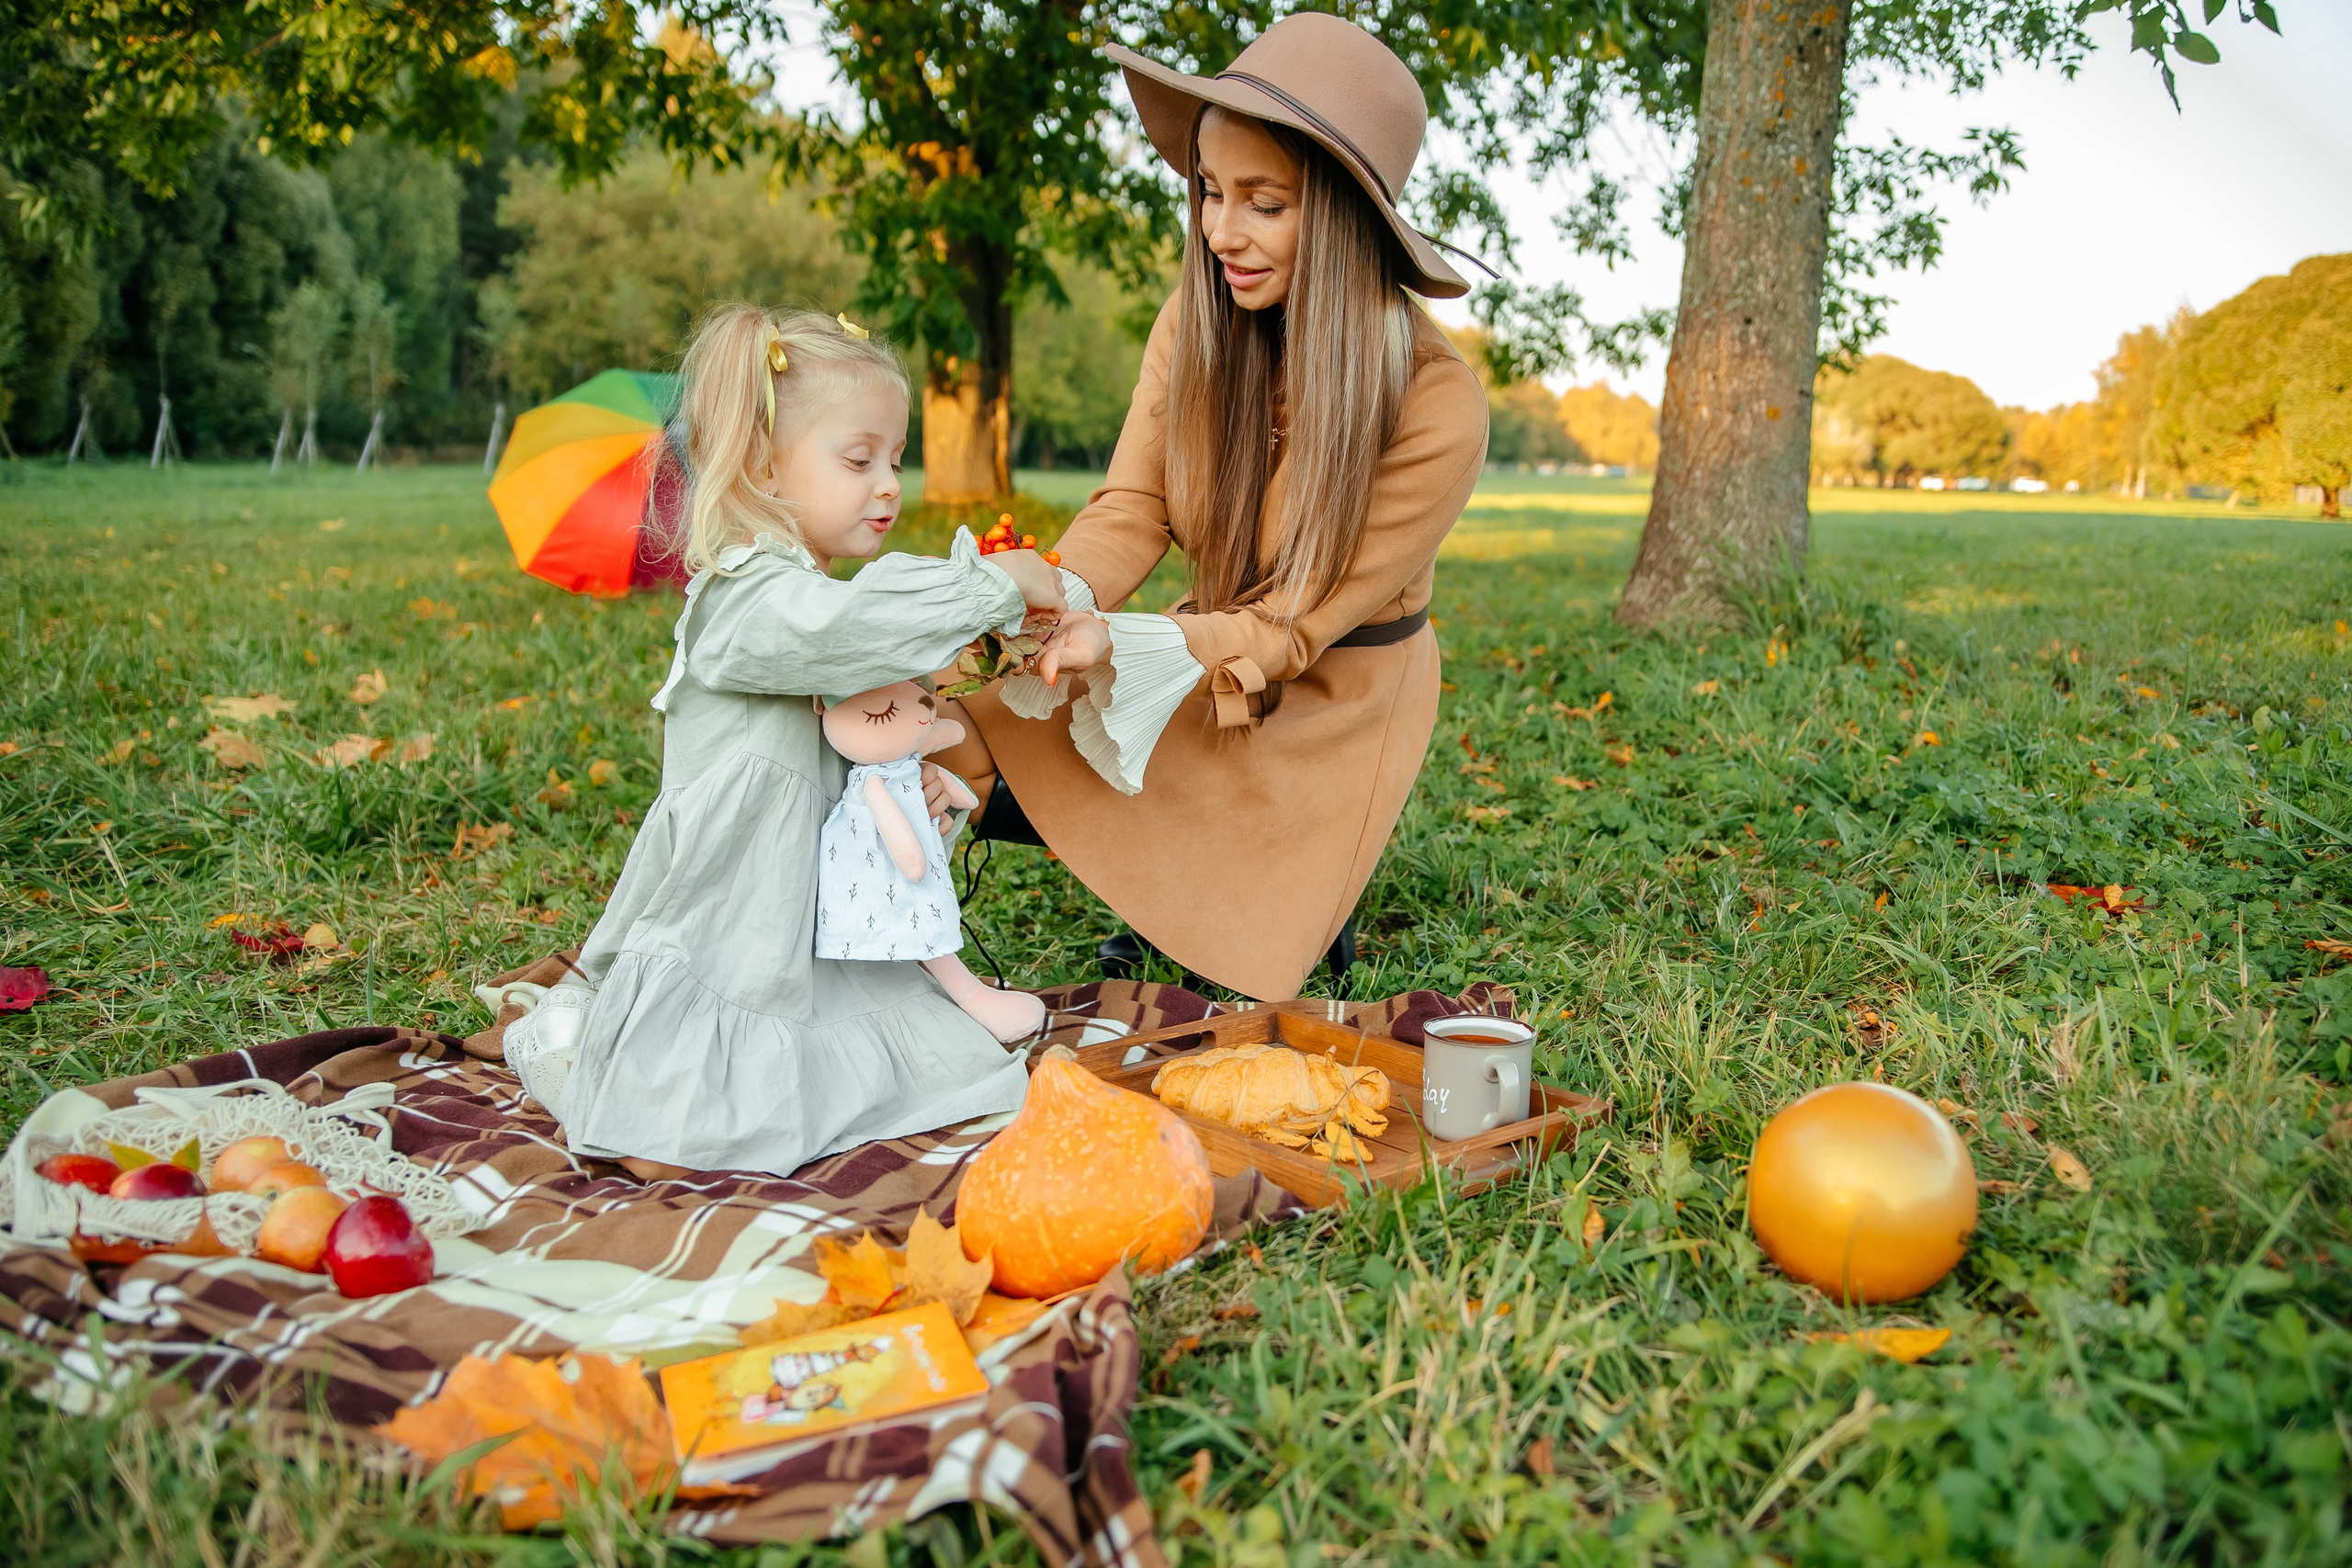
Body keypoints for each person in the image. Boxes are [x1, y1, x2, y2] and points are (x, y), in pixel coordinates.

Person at [932, 12, 1490, 1003]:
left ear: (1344, 215)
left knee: (1236, 961)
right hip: (1200, 643)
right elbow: (1131, 507)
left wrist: (1121, 647)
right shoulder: (1198, 316)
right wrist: (1042, 592)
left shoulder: (1435, 401)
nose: (1220, 232)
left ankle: (1287, 886)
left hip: (1332, 694)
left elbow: (1289, 630)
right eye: (1208, 192)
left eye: (1263, 203)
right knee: (943, 727)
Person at [501, 306, 1065, 1180]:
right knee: (698, 1107)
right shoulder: (747, 598)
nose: (888, 486)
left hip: (808, 893)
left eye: (895, 460)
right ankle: (604, 1066)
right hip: (737, 898)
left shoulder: (808, 593)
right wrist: (987, 587)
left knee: (924, 1060)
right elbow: (845, 630)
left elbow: (858, 683)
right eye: (858, 459)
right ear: (765, 465)